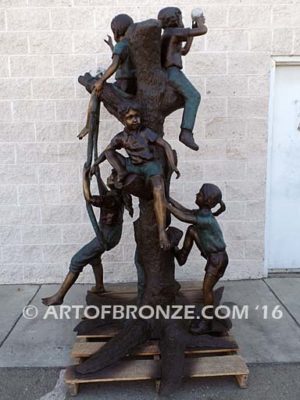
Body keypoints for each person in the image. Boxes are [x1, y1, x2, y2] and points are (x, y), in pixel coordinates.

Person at [91, 103, 180, 251]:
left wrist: (173, 165)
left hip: (151, 166)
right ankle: (121, 172)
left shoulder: (146, 132)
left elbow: (165, 145)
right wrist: (95, 164)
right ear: (124, 119)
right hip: (132, 165)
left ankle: (161, 232)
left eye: (137, 116)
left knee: (158, 191)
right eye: (130, 117)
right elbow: (107, 151)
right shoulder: (121, 137)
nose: (135, 120)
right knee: (108, 152)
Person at [42, 169, 133, 306]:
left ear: (117, 183)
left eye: (111, 177)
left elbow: (89, 198)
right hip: (110, 235)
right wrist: (97, 176)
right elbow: (104, 191)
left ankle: (59, 296)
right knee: (94, 258)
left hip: (106, 237)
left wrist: (85, 179)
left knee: (77, 260)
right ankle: (99, 286)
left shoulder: (111, 199)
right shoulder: (115, 195)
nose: (108, 178)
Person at [167, 183, 228, 334]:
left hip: (218, 259)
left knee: (206, 290)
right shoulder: (202, 213)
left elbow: (183, 216)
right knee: (192, 230)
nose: (196, 195)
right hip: (213, 256)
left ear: (207, 201)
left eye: (199, 194)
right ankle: (182, 256)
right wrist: (168, 199)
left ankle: (207, 322)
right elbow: (185, 210)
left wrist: (162, 203)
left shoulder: (206, 219)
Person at [78, 13, 136, 140]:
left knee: (96, 90)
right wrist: (111, 46)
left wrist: (101, 80)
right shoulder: (131, 45)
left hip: (123, 86)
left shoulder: (121, 46)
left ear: (116, 31)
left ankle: (88, 125)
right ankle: (89, 124)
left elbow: (115, 64)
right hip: (132, 85)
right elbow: (120, 58)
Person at [158, 7, 207, 151]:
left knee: (188, 97)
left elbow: (184, 51)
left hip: (169, 72)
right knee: (194, 96)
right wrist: (199, 21)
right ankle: (186, 131)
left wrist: (191, 31)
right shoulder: (174, 32)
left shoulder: (168, 34)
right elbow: (203, 30)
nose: (182, 21)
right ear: (174, 19)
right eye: (180, 18)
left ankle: (186, 130)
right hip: (172, 72)